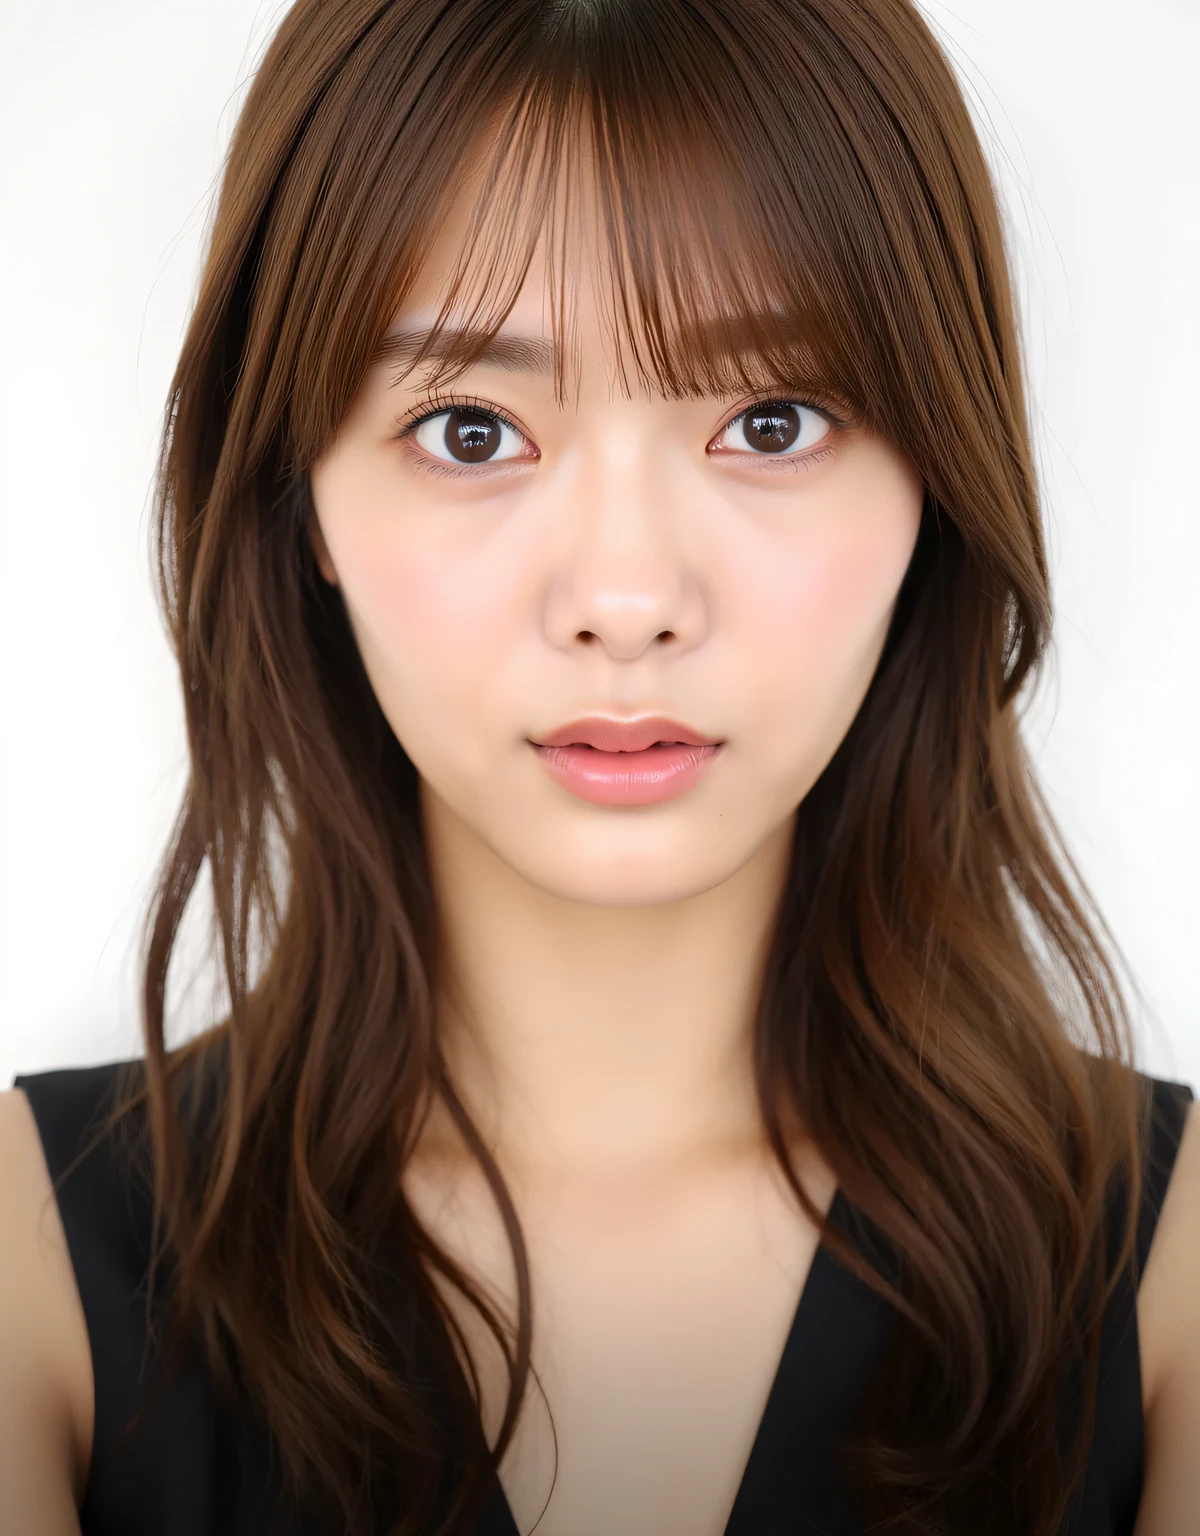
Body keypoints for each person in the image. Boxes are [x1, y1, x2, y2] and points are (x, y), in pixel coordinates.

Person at [2, 1, 1196, 1533]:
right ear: (301, 499)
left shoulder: (1170, 1282)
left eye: (772, 420)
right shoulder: (35, 1264)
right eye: (473, 432)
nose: (627, 598)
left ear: (939, 490)